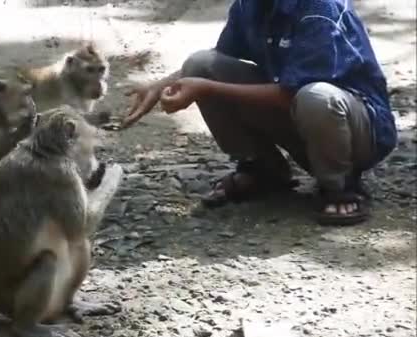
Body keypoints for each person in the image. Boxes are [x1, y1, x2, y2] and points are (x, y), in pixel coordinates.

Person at [120, 0, 397, 226]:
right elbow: (219, 59)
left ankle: (341, 184)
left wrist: (206, 89)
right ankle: (262, 169)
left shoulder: (320, 9)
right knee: (200, 64)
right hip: (307, 116)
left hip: (357, 131)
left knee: (315, 97)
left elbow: (291, 93)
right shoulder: (250, 5)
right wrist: (161, 85)